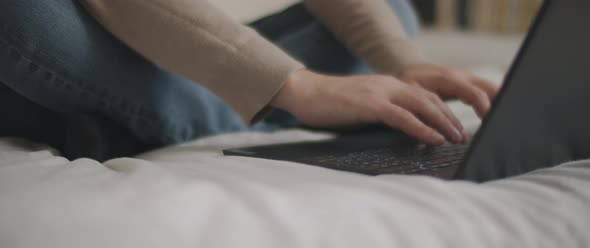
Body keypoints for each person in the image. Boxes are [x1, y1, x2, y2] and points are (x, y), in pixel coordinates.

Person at [0, 0, 497, 161]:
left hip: (163, 50)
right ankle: (209, 111)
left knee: (396, 13)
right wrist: (301, 88)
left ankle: (137, 119)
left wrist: (404, 62)